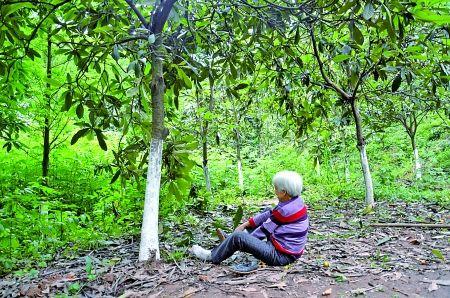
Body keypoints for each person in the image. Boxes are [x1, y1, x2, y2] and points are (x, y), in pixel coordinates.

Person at [190, 170, 308, 266]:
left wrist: (243, 240)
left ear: (284, 192)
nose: (274, 191)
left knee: (238, 237)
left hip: (280, 256)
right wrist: (245, 225)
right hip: (289, 251)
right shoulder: (296, 201)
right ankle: (229, 242)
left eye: (276, 188)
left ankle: (212, 256)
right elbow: (269, 214)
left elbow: (264, 230)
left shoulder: (284, 210)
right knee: (267, 211)